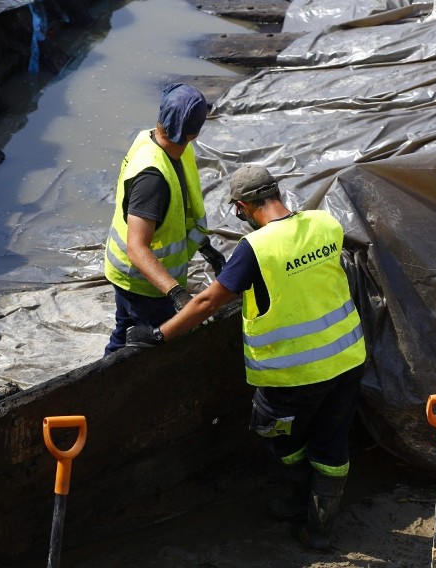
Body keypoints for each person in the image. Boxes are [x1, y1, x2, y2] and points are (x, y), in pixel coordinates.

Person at [126, 165, 366, 551]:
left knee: (280, 440)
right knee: (332, 447)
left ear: (241, 207)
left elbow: (206, 302)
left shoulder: (255, 249)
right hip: (347, 361)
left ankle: (297, 501)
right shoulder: (326, 224)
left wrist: (159, 334)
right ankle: (319, 530)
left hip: (291, 377)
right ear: (278, 192)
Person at [103, 82, 226, 356]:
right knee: (152, 346)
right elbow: (137, 247)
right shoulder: (153, 178)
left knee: (123, 336)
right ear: (195, 132)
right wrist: (176, 294)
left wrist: (205, 248)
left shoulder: (159, 142)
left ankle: (99, 384)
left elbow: (180, 214)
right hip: (144, 284)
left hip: (132, 277)